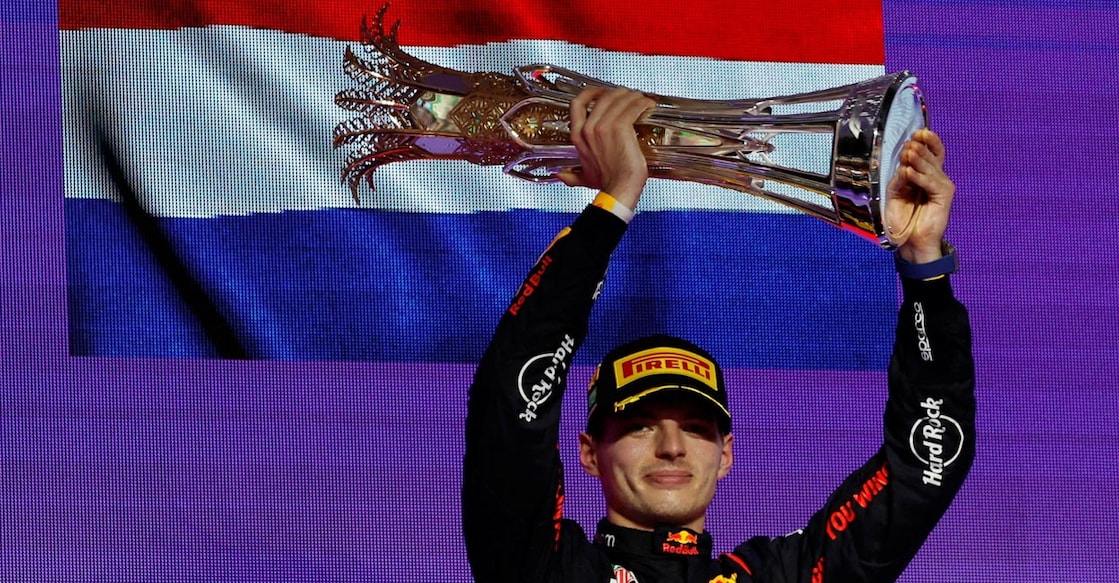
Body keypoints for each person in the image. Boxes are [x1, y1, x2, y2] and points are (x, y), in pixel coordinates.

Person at [463, 87, 975, 582]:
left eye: (695, 427)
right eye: (639, 425)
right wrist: (612, 204)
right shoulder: (544, 567)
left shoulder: (782, 577)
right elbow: (509, 405)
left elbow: (927, 466)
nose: (671, 446)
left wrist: (924, 265)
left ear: (725, 453)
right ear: (591, 452)